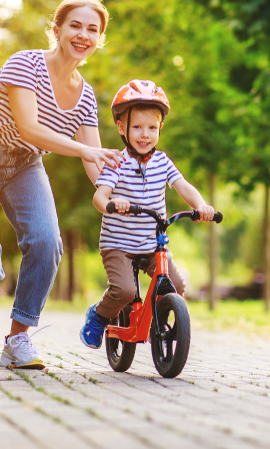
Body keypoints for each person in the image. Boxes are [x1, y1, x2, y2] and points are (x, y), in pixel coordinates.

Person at [0, 0, 123, 369]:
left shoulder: (85, 96)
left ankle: (17, 338)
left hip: (24, 166)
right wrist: (86, 152)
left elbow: (96, 162)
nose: (83, 35)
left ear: (99, 39)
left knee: (47, 243)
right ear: (56, 30)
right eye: (75, 25)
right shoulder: (25, 64)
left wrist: (118, 192)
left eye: (93, 29)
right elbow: (30, 128)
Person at [79, 80, 215, 348]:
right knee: (124, 291)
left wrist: (202, 206)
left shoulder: (163, 162)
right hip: (118, 245)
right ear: (122, 128)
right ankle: (98, 315)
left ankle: (164, 324)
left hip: (152, 244)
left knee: (176, 284)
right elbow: (99, 196)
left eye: (152, 128)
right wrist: (111, 201)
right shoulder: (116, 162)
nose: (145, 134)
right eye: (137, 127)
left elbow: (183, 186)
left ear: (160, 128)